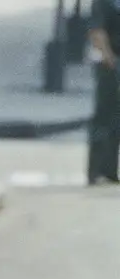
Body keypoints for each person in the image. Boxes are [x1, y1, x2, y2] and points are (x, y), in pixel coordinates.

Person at [92, 0, 120, 184]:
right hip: (110, 66)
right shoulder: (104, 2)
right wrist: (111, 61)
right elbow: (97, 32)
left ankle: (110, 170)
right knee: (105, 118)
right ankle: (97, 171)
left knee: (117, 121)